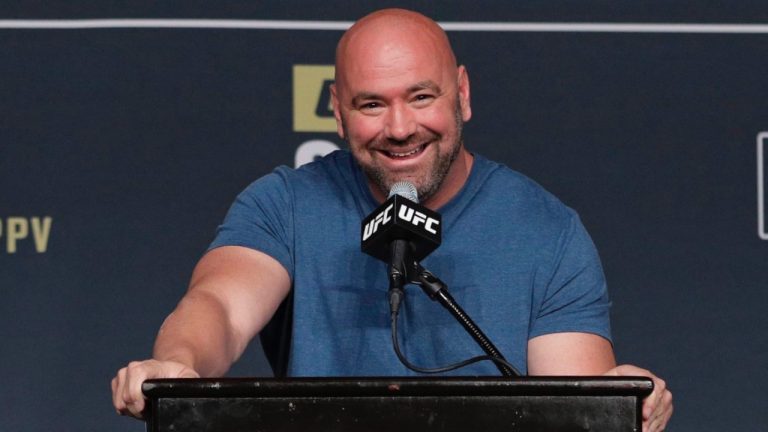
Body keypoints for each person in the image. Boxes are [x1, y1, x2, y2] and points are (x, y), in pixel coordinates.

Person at [112, 8, 673, 431]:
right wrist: (176, 364)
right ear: (337, 111)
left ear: (463, 95)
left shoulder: (545, 229)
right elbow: (219, 307)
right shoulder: (284, 203)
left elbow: (568, 408)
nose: (400, 128)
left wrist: (620, 399)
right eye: (372, 104)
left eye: (422, 96)